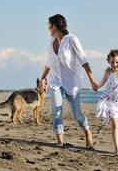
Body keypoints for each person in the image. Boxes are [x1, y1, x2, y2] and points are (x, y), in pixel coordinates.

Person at [41, 14, 98, 148]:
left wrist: (92, 80)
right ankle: (60, 141)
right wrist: (43, 78)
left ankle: (87, 132)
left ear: (55, 25)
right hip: (55, 80)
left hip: (72, 83)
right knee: (56, 110)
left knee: (76, 114)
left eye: (49, 25)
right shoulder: (51, 41)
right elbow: (49, 63)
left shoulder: (72, 39)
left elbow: (83, 60)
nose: (48, 28)